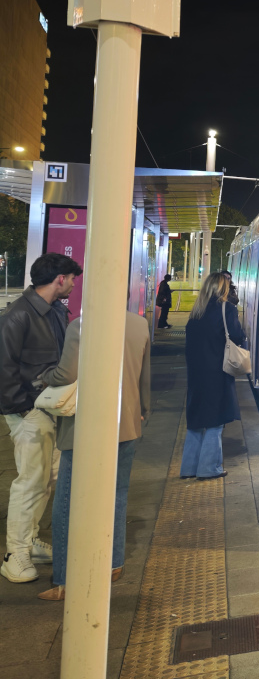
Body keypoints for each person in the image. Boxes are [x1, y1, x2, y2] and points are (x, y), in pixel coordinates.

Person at [36, 307, 152, 601]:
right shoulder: (140, 325)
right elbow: (144, 376)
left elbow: (66, 373)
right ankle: (114, 563)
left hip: (84, 429)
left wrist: (44, 374)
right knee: (118, 495)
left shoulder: (81, 326)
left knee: (67, 502)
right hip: (126, 424)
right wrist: (142, 411)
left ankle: (63, 579)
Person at [0, 253, 82, 583]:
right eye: (72, 278)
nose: (75, 284)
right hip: (30, 410)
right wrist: (23, 408)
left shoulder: (55, 312)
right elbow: (3, 367)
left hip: (50, 409)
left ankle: (29, 542)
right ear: (59, 279)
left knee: (46, 480)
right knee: (31, 482)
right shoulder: (17, 316)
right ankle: (14, 554)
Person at [182, 272, 245, 480]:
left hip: (196, 373)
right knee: (216, 421)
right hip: (217, 372)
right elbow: (237, 336)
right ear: (223, 288)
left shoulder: (196, 311)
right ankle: (209, 467)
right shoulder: (227, 309)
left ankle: (189, 467)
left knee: (196, 420)